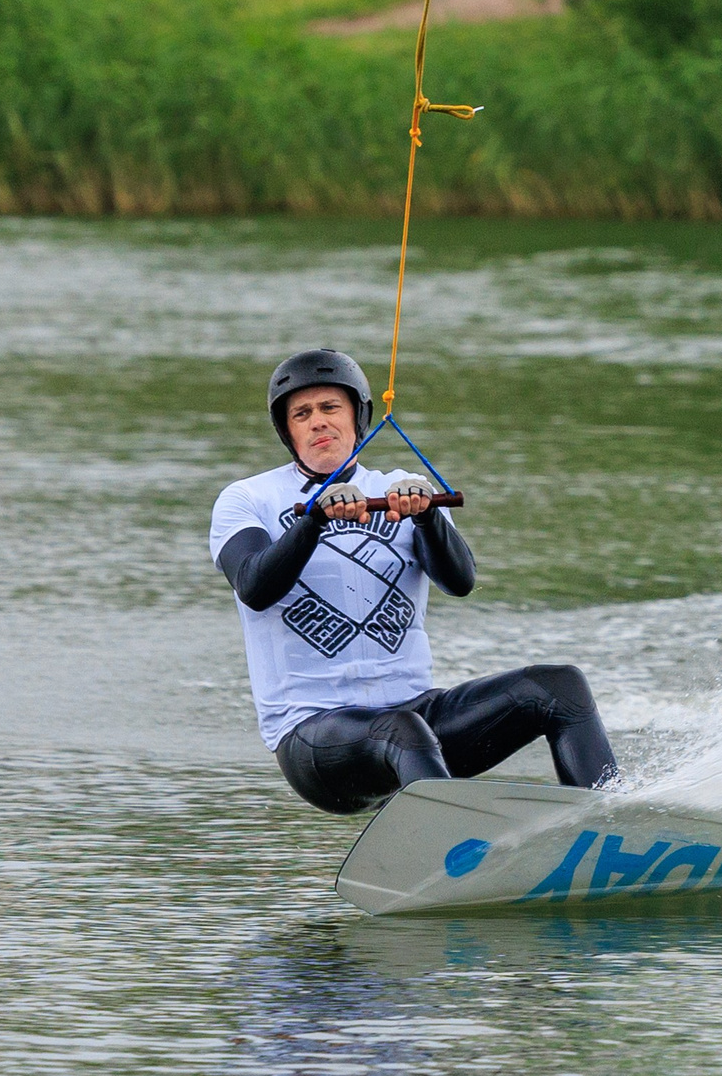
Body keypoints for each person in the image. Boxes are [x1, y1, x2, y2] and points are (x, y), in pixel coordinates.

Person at [210, 348, 619, 814]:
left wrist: (427, 519)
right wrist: (314, 522)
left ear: (357, 416)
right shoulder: (246, 499)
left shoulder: (400, 484)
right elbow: (254, 586)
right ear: (288, 431)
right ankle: (455, 847)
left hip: (420, 721)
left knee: (559, 687)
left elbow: (460, 581)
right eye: (302, 414)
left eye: (329, 409)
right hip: (314, 735)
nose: (318, 422)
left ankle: (610, 820)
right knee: (401, 730)